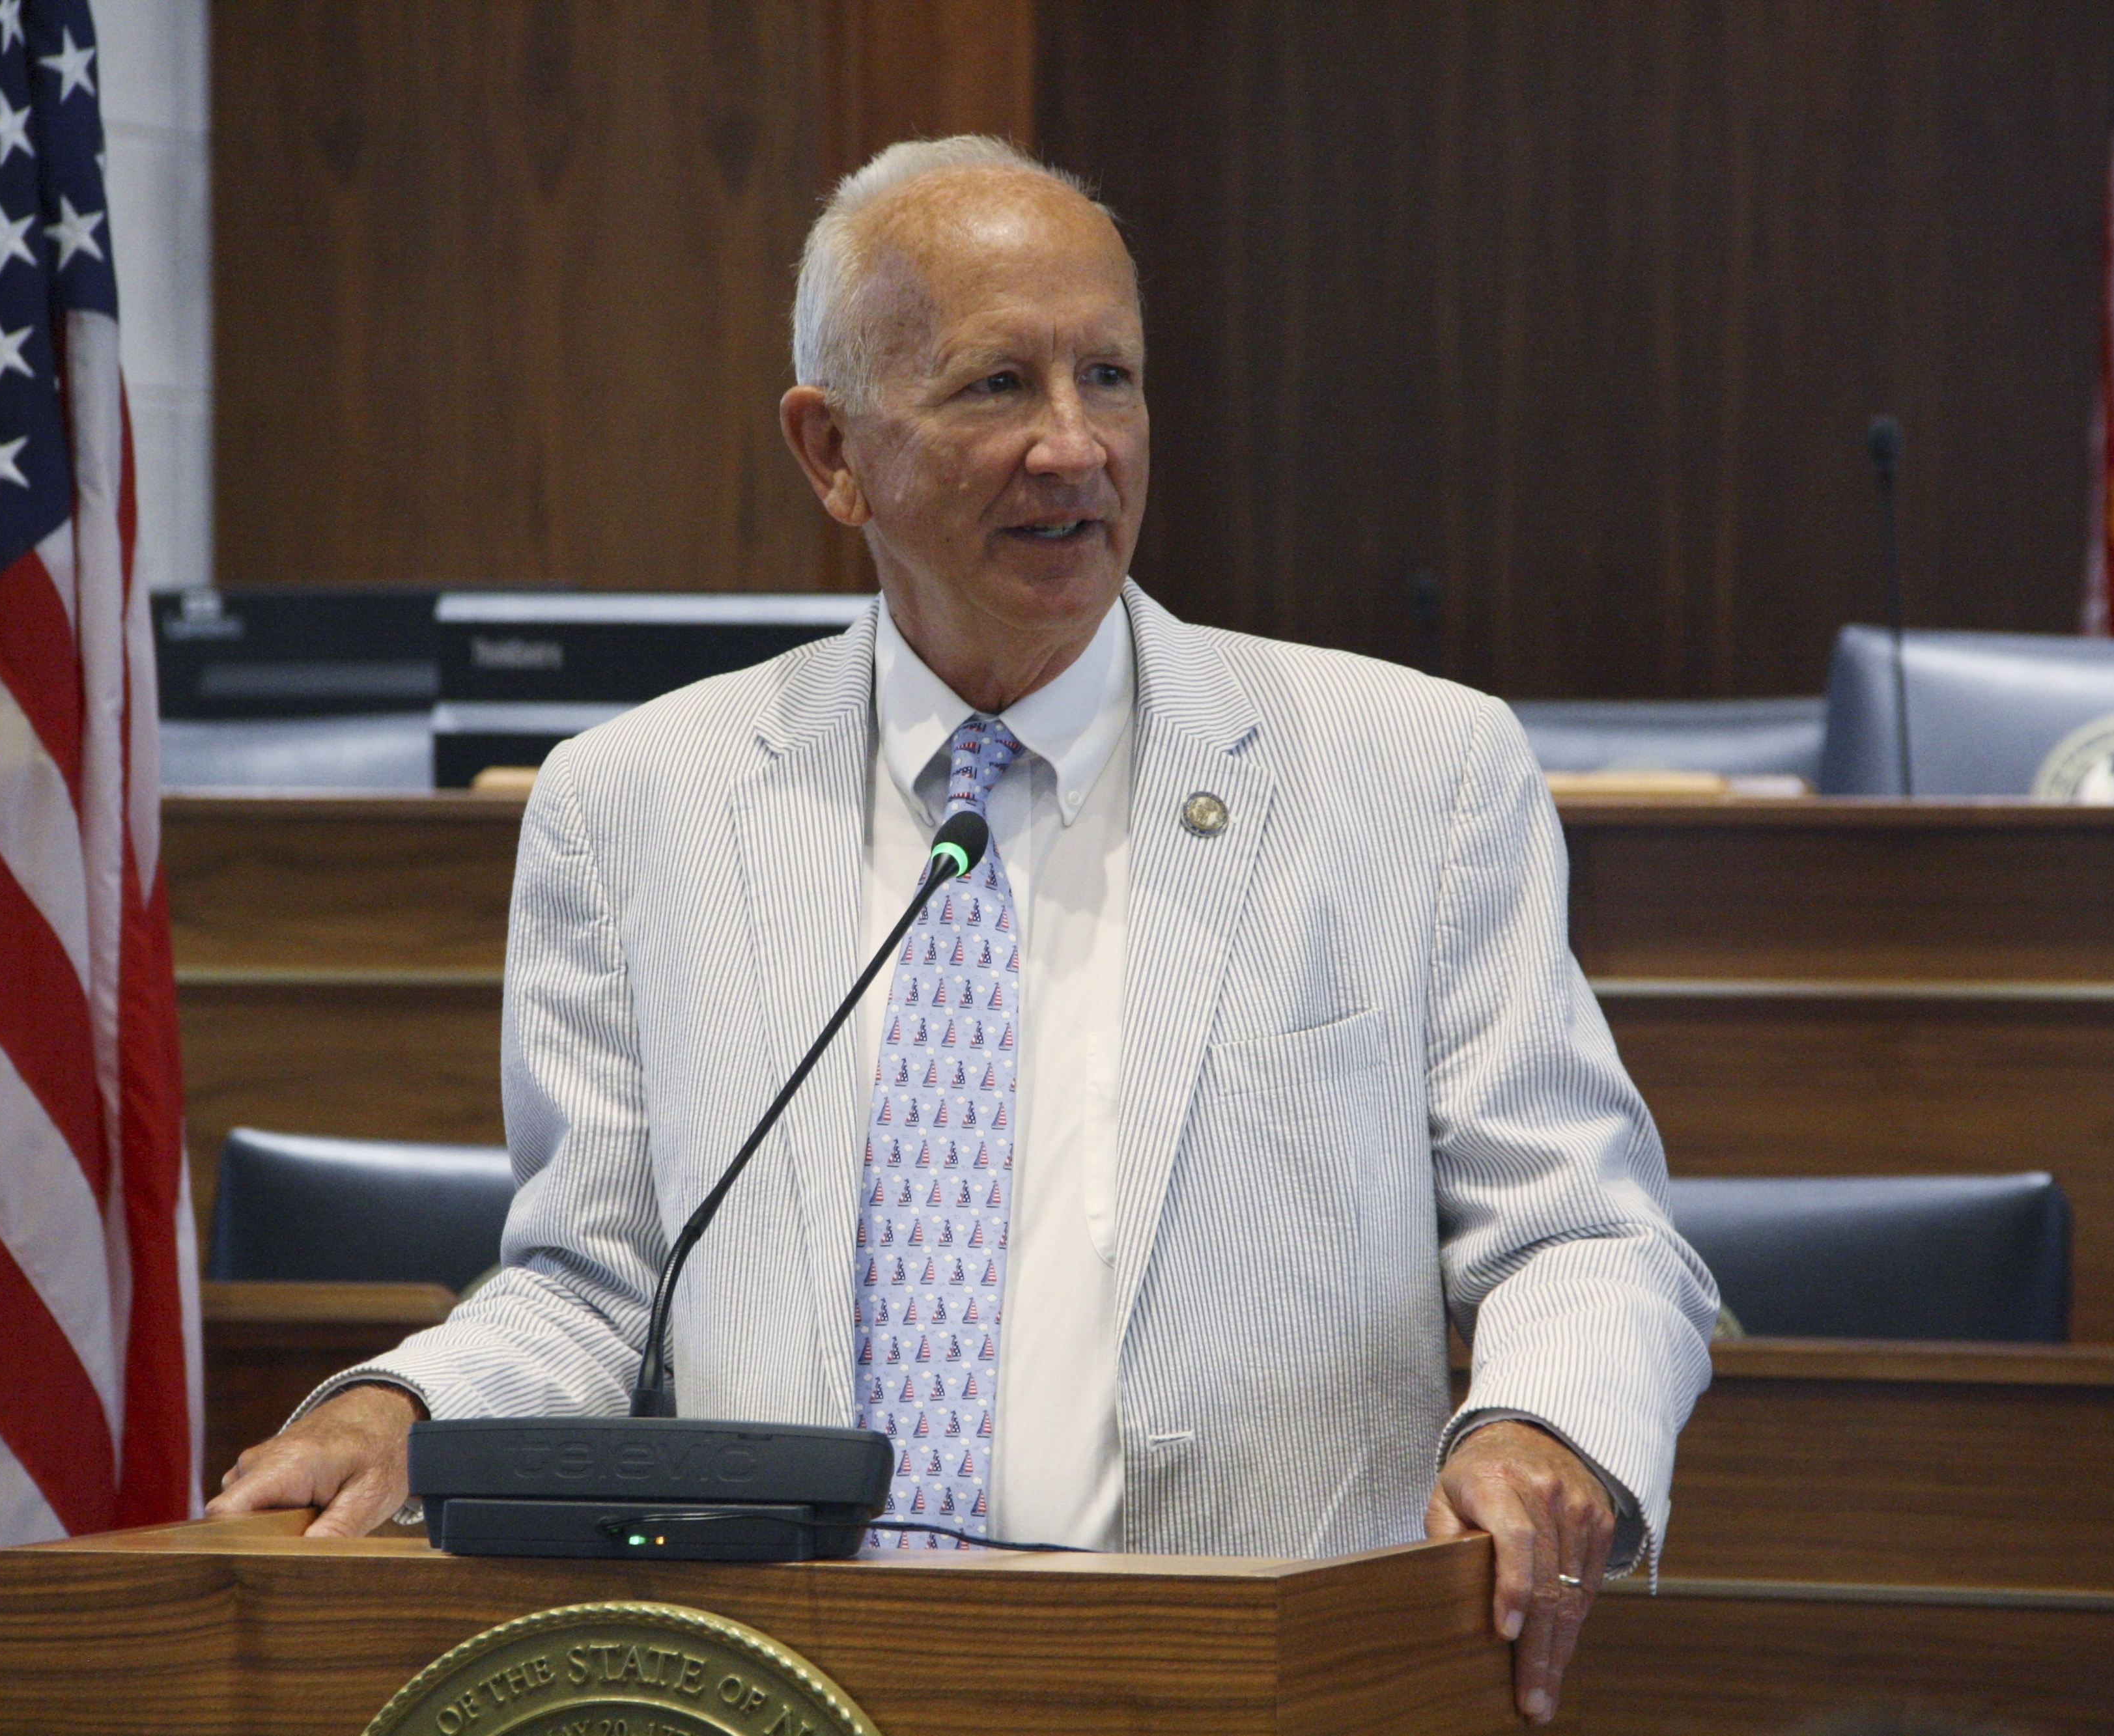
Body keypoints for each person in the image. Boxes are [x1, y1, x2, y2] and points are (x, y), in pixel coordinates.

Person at [209, 135, 1717, 1727]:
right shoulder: (634, 801)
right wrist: (407, 1403)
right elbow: (598, 1287)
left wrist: (1541, 1426)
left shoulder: (1410, 774)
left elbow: (1586, 1231)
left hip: (1255, 1688)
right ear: (829, 450)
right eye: (997, 385)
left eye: (1111, 379)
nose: (1073, 449)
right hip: (779, 1688)